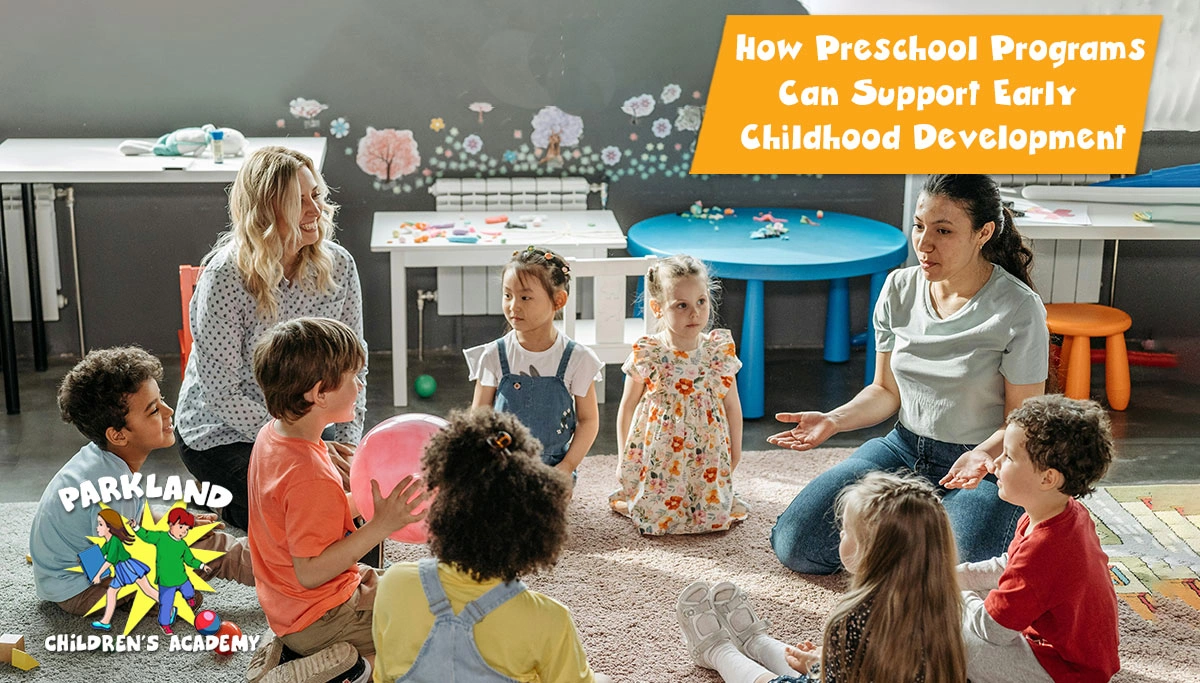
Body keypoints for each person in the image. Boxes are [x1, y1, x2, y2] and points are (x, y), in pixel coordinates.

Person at [769, 173, 1049, 573]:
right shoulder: (898, 288)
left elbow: (1022, 422)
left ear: (983, 232)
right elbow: (885, 390)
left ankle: (914, 535)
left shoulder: (1019, 308)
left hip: (982, 464)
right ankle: (914, 531)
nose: (924, 242)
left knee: (955, 574)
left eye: (944, 230)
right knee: (797, 544)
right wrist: (834, 419)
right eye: (919, 226)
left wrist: (982, 455)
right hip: (903, 447)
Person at [176, 145, 366, 530]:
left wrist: (347, 448)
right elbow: (221, 393)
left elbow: (353, 366)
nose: (316, 210)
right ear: (265, 211)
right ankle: (217, 502)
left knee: (354, 510)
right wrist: (303, 444)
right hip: (223, 433)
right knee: (297, 518)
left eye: (316, 195)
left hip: (310, 425)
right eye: (299, 201)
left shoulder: (339, 266)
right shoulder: (226, 276)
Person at [245, 317, 430, 683]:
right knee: (429, 642)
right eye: (353, 377)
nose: (360, 386)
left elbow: (311, 520)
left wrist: (366, 502)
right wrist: (380, 526)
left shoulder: (273, 437)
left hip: (292, 605)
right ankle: (350, 667)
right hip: (322, 612)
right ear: (320, 393)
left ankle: (288, 649)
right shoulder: (306, 474)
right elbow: (311, 572)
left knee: (415, 588)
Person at [372, 407, 613, 683]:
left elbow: (385, 675)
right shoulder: (548, 620)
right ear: (534, 530)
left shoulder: (394, 583)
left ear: (441, 511)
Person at [29, 347, 254, 620]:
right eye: (153, 410)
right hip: (81, 591)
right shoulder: (109, 489)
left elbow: (135, 521)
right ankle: (288, 576)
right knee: (209, 547)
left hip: (70, 579)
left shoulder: (104, 462)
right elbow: (111, 557)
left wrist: (178, 522)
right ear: (118, 435)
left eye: (163, 400)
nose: (169, 411)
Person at [676, 472, 966, 683]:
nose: (840, 533)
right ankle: (755, 642)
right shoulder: (947, 605)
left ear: (871, 552)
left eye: (846, 530)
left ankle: (717, 651)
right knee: (806, 663)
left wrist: (821, 668)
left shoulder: (854, 617)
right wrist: (823, 662)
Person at [959, 395, 1119, 683]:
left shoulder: (1046, 549)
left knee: (960, 643)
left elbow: (992, 629)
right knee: (973, 600)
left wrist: (954, 597)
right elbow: (1010, 567)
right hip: (1066, 651)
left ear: (1047, 479)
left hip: (1068, 672)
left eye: (1007, 456)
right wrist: (951, 576)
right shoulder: (1060, 513)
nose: (995, 463)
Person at [609, 254, 745, 535]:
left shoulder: (717, 352)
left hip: (707, 452)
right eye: (681, 305)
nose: (694, 313)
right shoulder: (649, 352)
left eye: (701, 302)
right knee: (658, 512)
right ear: (657, 308)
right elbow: (627, 406)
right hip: (661, 453)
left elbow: (732, 406)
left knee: (709, 511)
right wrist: (624, 457)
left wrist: (736, 451)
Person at [465, 246, 602, 478]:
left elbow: (588, 421)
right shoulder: (493, 355)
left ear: (558, 300)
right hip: (502, 465)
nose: (513, 306)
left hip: (553, 470)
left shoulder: (578, 359)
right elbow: (479, 417)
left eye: (525, 297)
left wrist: (567, 467)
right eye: (507, 295)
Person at [133, 507, 211, 635]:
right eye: (181, 527)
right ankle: (165, 624)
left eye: (186, 530)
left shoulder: (182, 544)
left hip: (181, 577)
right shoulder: (160, 537)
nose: (183, 532)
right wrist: (136, 528)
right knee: (166, 605)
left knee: (189, 590)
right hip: (166, 581)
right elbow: (146, 535)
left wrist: (202, 565)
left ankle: (189, 598)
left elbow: (190, 559)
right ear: (170, 524)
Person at [89, 508, 158, 631]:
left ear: (109, 527)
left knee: (148, 590)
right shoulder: (108, 542)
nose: (97, 528)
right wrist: (85, 561)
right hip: (122, 569)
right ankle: (105, 621)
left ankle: (170, 608)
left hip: (128, 568)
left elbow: (109, 561)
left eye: (100, 524)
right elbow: (100, 554)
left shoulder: (114, 541)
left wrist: (98, 575)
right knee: (113, 592)